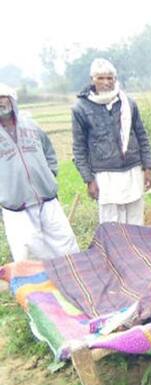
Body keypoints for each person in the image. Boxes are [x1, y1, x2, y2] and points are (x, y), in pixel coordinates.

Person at [0, 83, 79, 261]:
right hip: (16, 206)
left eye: (3, 97)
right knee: (27, 250)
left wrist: (50, 176)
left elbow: (49, 151)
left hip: (47, 198)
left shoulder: (31, 125)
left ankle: (73, 280)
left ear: (12, 100)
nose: (0, 102)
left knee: (65, 243)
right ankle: (38, 287)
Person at [72, 58, 151, 225]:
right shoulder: (81, 108)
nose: (106, 82)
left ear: (115, 79)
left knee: (135, 221)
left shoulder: (127, 103)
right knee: (112, 223)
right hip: (104, 174)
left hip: (132, 169)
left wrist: (148, 168)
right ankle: (116, 252)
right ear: (92, 80)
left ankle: (135, 252)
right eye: (100, 78)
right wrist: (89, 180)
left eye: (110, 78)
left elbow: (141, 136)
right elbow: (79, 148)